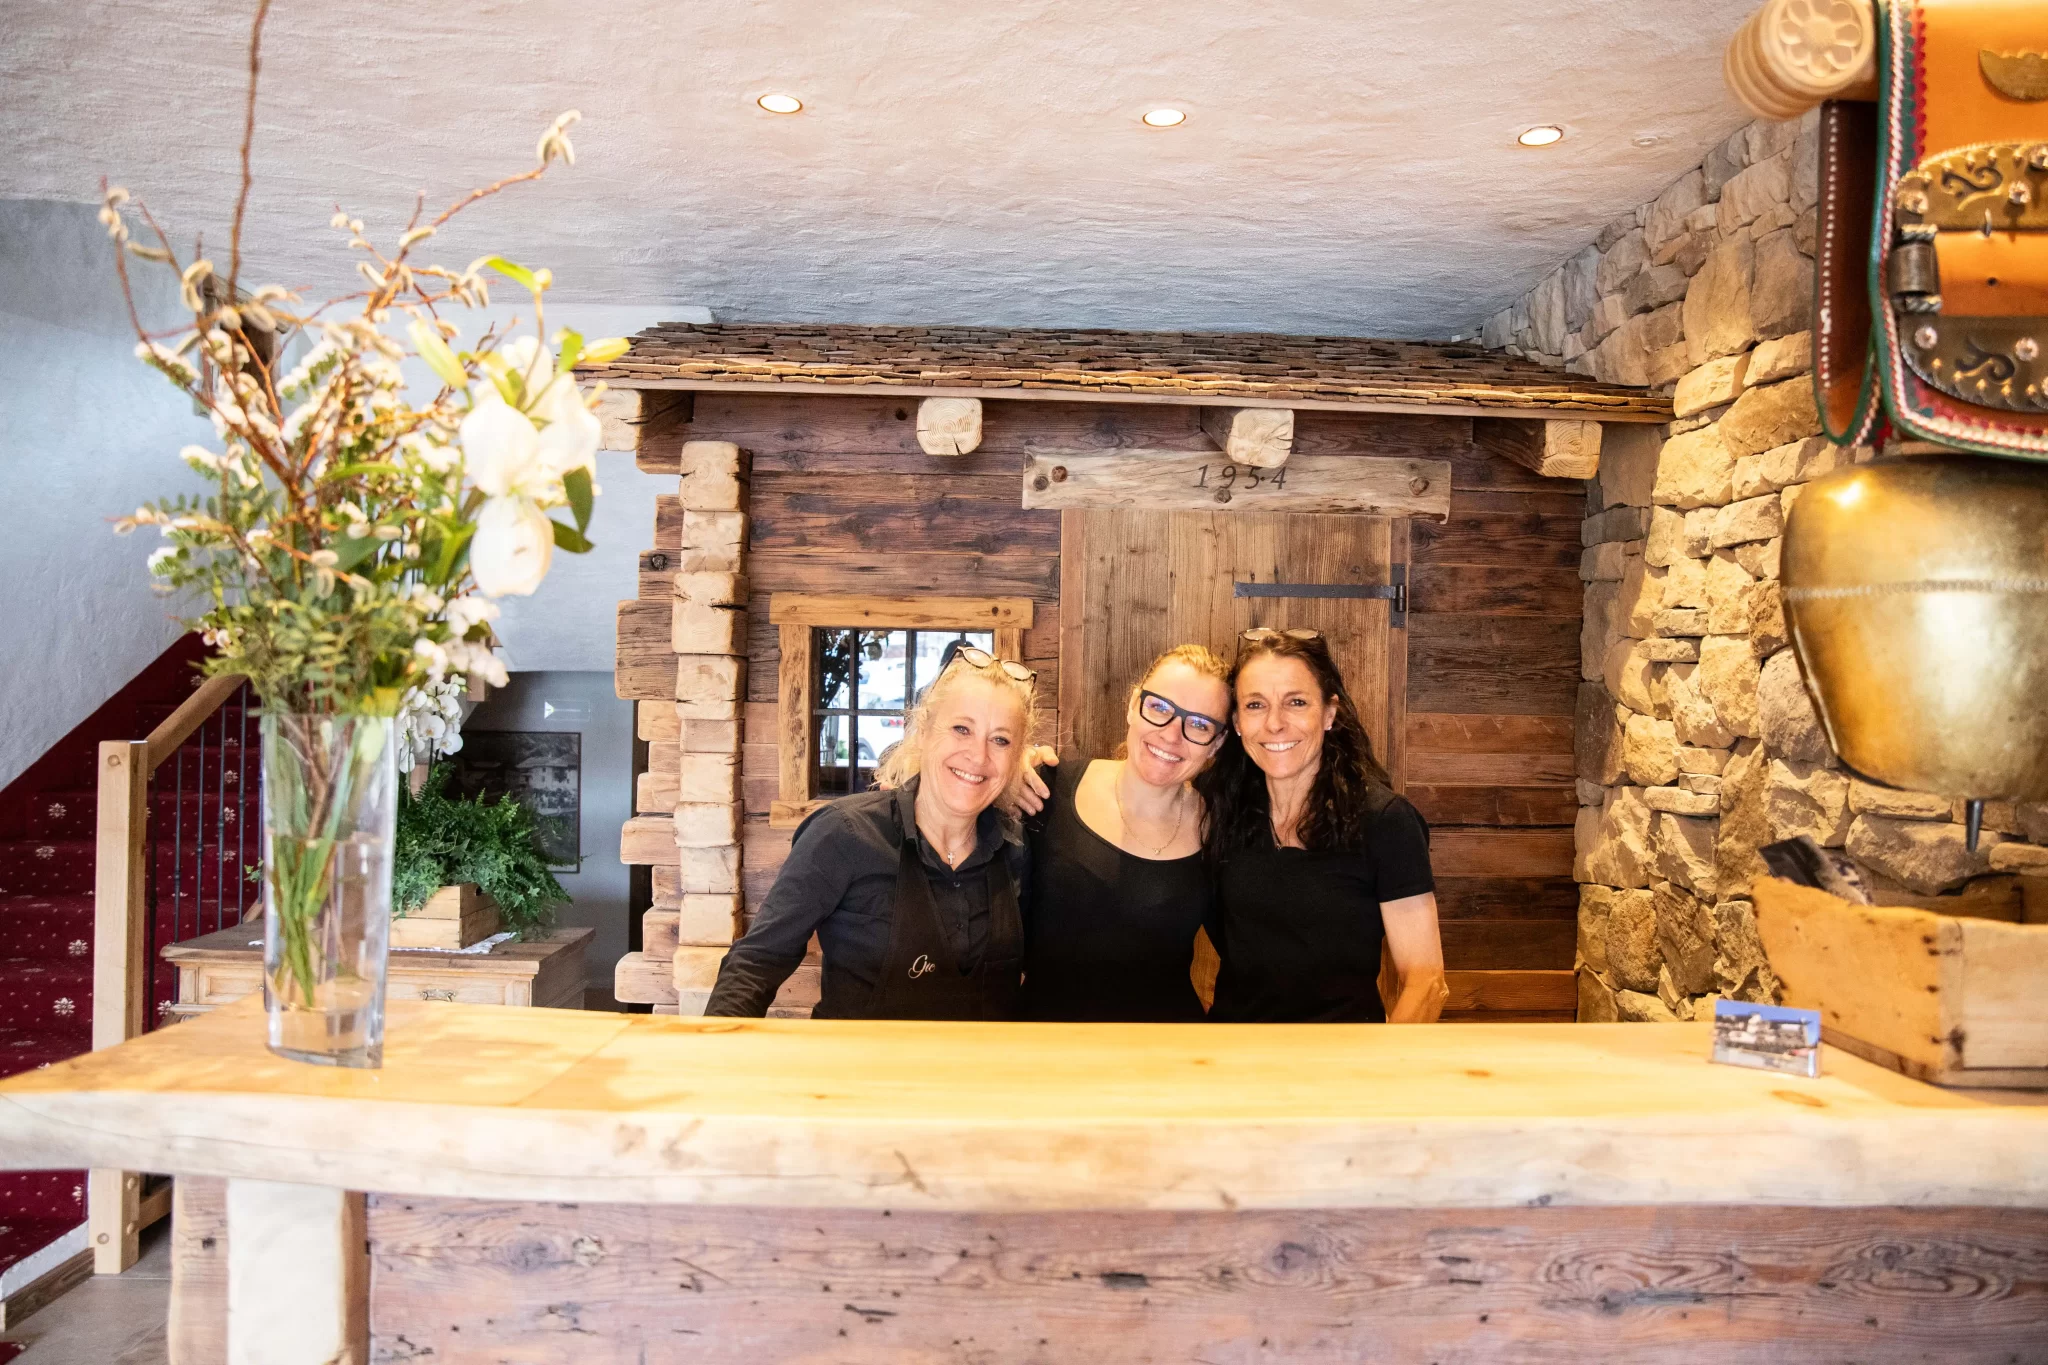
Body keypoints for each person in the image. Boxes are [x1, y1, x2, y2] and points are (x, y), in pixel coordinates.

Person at [703, 648, 1036, 1019]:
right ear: (924, 731)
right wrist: (714, 1050)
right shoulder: (844, 834)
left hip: (984, 1059)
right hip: (855, 1058)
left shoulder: (1018, 848)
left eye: (1001, 740)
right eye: (962, 729)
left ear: (1018, 756)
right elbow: (756, 963)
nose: (979, 755)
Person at [1195, 628, 1447, 1023]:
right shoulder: (1213, 808)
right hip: (1235, 1050)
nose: (1275, 724)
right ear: (1237, 721)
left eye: (1296, 702)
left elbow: (1427, 982)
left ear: (1329, 713)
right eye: (1256, 705)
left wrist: (1387, 1061)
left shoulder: (1385, 820)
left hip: (1346, 1053)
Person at [1018, 645, 1232, 1022]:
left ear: (1217, 742)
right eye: (1160, 708)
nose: (1172, 735)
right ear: (1134, 705)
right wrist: (1005, 771)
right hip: (1044, 1046)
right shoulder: (1044, 789)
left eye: (1199, 724)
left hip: (1163, 1049)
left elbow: (1257, 948)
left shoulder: (1219, 831)